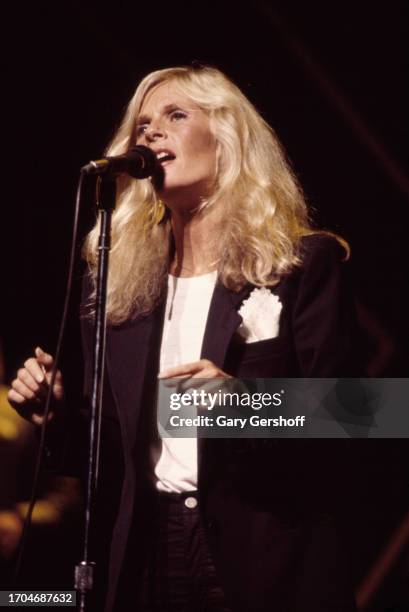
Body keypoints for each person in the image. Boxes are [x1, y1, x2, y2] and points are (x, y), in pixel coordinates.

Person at [8, 65, 359, 611]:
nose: (151, 134)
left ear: (227, 138)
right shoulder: (118, 283)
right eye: (143, 124)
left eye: (176, 115)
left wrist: (242, 404)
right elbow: (113, 454)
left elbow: (362, 416)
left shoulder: (301, 263)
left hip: (263, 547)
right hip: (148, 545)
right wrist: (57, 418)